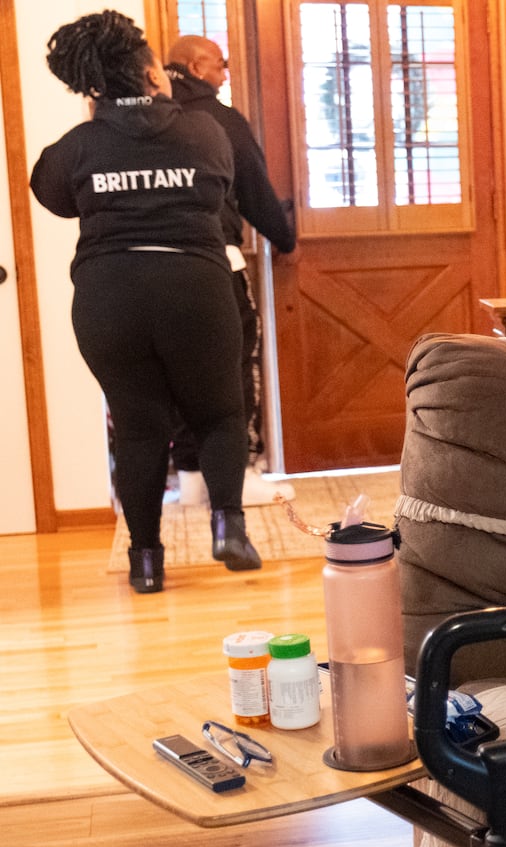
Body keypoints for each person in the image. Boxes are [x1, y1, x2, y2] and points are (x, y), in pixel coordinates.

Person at [31, 10, 262, 594]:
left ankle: (146, 562)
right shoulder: (205, 131)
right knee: (218, 411)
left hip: (109, 297)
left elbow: (49, 191)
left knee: (137, 427)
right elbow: (220, 186)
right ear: (150, 70)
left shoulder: (80, 144)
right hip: (194, 287)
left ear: (93, 83)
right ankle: (229, 527)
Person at [163, 34, 297, 506]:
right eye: (222, 64)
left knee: (179, 371)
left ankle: (192, 479)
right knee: (237, 365)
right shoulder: (219, 120)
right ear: (197, 68)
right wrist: (284, 237)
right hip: (218, 262)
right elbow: (255, 191)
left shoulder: (150, 118)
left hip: (157, 269)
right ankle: (240, 474)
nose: (227, 74)